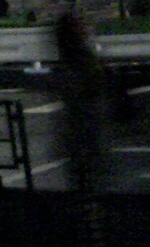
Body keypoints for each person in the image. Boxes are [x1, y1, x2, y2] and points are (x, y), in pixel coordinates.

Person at [55, 13, 106, 194]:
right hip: (83, 114)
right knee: (87, 165)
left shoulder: (70, 55)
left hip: (81, 114)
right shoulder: (77, 58)